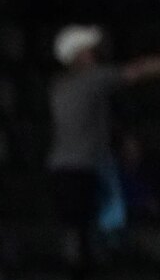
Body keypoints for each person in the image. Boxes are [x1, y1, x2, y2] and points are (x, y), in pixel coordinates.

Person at [47, 24, 160, 235]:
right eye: (89, 50)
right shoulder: (91, 79)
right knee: (83, 234)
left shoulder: (62, 84)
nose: (95, 54)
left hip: (70, 169)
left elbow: (92, 118)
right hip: (80, 171)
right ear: (77, 56)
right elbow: (138, 71)